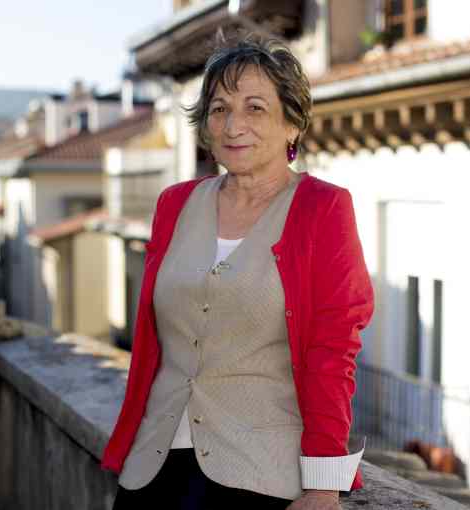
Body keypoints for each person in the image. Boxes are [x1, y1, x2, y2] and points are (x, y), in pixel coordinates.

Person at [101, 36, 374, 510]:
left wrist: (323, 484)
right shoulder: (175, 205)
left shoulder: (323, 208)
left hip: (258, 475)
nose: (233, 125)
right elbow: (152, 342)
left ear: (292, 123)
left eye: (255, 108)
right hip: (151, 468)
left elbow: (333, 350)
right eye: (219, 109)